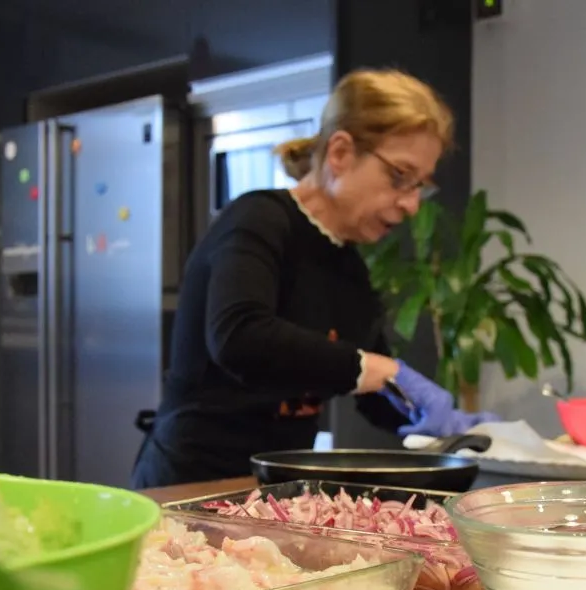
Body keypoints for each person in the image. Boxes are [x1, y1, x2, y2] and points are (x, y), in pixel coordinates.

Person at [131, 69, 497, 488]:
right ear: (340, 153)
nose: (412, 205)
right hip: (191, 483)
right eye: (400, 177)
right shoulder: (258, 221)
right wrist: (376, 368)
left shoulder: (348, 263)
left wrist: (448, 424)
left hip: (272, 487)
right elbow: (238, 335)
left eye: (420, 186)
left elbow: (370, 387)